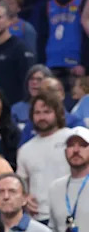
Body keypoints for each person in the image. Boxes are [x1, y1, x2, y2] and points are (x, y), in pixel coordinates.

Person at [16, 93, 72, 224]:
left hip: (71, 213)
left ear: (58, 113)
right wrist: (25, 198)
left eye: (47, 112)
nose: (42, 117)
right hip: (39, 217)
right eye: (37, 112)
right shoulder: (25, 149)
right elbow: (21, 185)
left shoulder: (73, 139)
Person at [47, 126, 89, 232]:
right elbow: (53, 230)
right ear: (65, 151)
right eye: (71, 145)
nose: (76, 150)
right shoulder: (55, 188)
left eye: (82, 145)